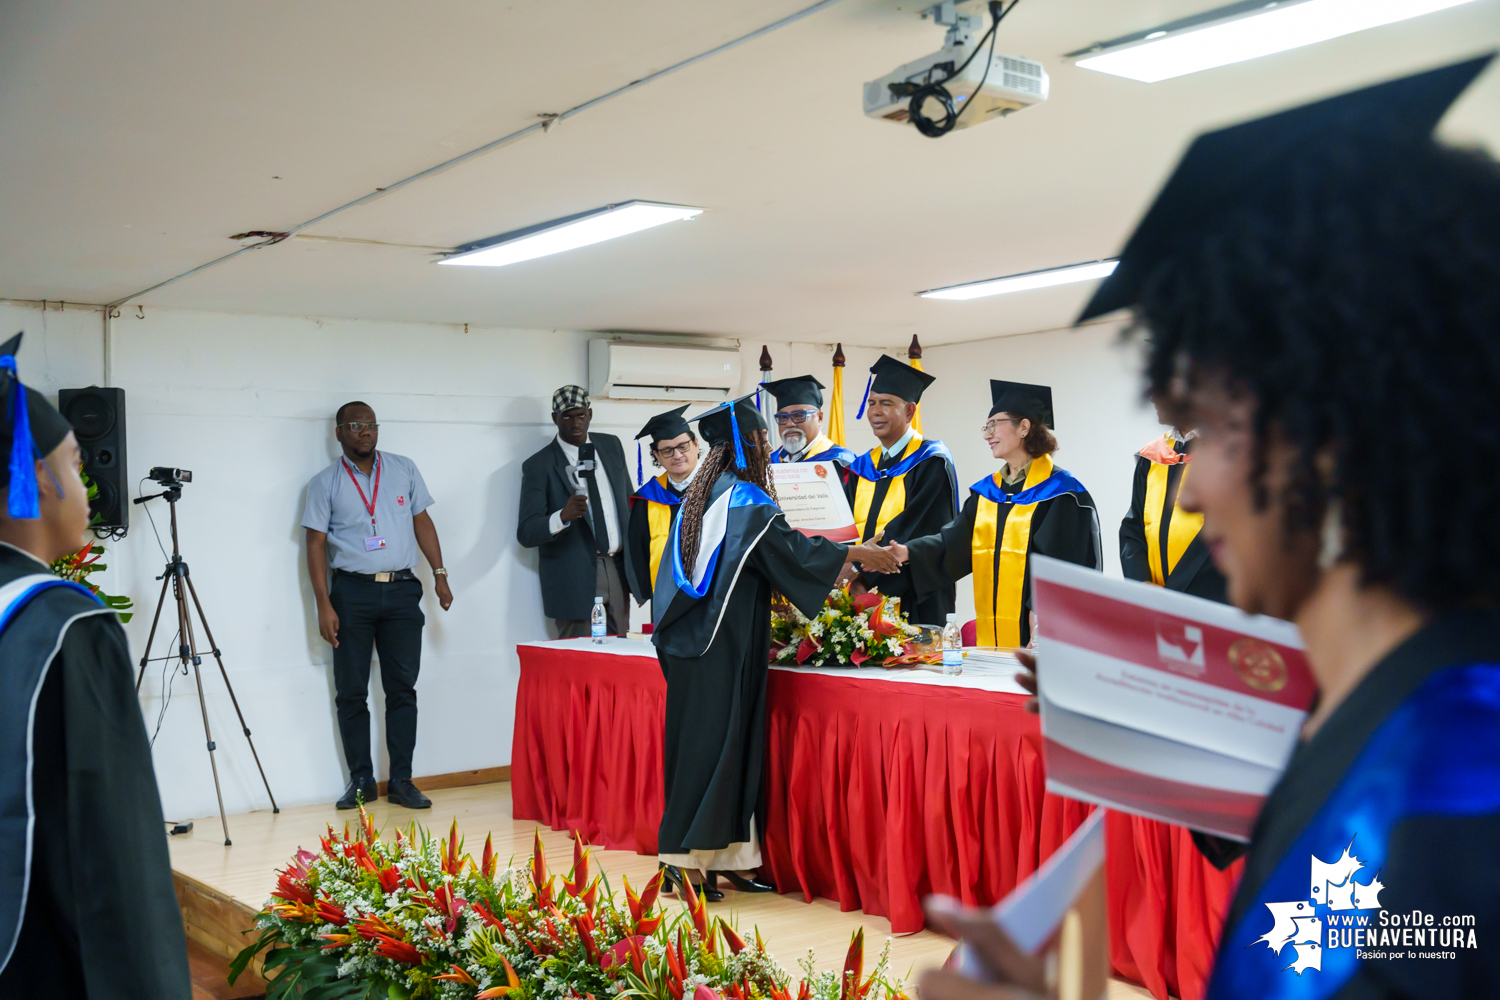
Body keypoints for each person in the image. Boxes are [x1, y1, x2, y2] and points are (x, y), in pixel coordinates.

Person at [921, 56, 1500, 1000]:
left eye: (1213, 428)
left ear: (1331, 431)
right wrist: (1148, 713)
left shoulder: (1458, 797)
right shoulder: (1411, 714)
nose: (1192, 493)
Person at [0, 332, 192, 998]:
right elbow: (114, 859)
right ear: (35, 477)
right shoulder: (63, 625)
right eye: (76, 463)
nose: (87, 486)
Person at [652, 394, 902, 901]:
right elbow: (790, 551)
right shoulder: (744, 502)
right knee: (710, 750)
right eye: (761, 438)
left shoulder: (707, 496)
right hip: (718, 646)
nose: (769, 444)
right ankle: (683, 862)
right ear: (745, 446)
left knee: (729, 749)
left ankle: (733, 857)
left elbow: (764, 565)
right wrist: (859, 554)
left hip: (704, 643)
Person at [303, 401, 452, 811]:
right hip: (351, 595)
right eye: (355, 425)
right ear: (339, 433)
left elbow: (422, 521)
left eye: (371, 425)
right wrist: (323, 604)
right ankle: (361, 781)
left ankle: (402, 780)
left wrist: (439, 574)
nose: (365, 432)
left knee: (402, 689)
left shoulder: (403, 468)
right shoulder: (325, 483)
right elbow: (314, 543)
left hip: (403, 591)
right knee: (351, 692)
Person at [892, 380, 1100, 648]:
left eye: (994, 425)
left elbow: (1061, 571)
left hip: (1041, 640)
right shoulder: (987, 492)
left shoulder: (1062, 494)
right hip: (992, 641)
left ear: (1023, 427)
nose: (986, 434)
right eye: (985, 427)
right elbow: (955, 543)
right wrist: (908, 552)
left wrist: (1042, 630)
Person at [841, 354, 958, 624]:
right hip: (857, 593)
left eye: (886, 403)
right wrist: (845, 563)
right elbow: (846, 526)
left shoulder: (932, 462)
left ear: (910, 411)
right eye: (872, 403)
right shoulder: (862, 466)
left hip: (913, 595)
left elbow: (917, 528)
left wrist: (863, 575)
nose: (875, 411)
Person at [517, 385, 635, 636]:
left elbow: (629, 505)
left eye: (580, 415)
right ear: (554, 419)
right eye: (567, 416)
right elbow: (526, 533)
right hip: (573, 577)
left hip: (617, 568)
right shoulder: (539, 465)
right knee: (579, 660)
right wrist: (561, 517)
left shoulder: (611, 446)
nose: (575, 423)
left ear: (590, 414)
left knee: (620, 656)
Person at [1119, 401, 1228, 603]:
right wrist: (1141, 583)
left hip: (1209, 601)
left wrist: (1172, 594)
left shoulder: (1227, 453)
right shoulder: (1150, 457)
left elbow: (1226, 533)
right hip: (1154, 603)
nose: (1153, 399)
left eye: (1160, 387)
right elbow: (1133, 529)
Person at [625, 404, 700, 601]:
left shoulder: (720, 490)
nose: (677, 455)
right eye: (667, 450)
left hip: (712, 594)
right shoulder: (647, 498)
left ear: (696, 444)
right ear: (657, 455)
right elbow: (638, 550)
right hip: (664, 598)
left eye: (683, 446)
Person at [761, 375, 856, 478]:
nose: (789, 424)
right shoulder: (770, 462)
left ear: (819, 418)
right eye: (783, 417)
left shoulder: (841, 462)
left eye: (799, 415)